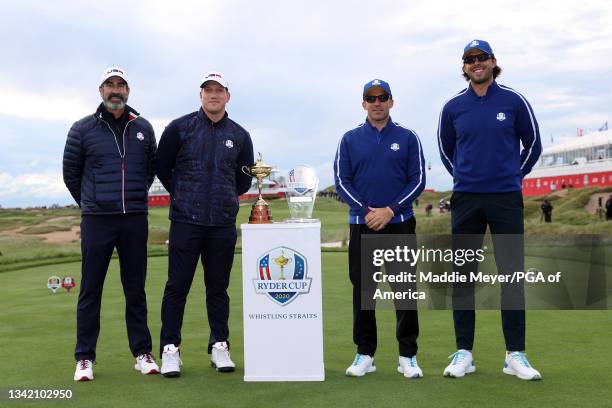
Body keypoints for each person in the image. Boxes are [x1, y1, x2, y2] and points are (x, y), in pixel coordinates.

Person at [438, 40, 543, 380]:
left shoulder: (513, 100)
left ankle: (515, 354)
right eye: (470, 59)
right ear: (464, 66)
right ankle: (464, 353)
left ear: (493, 62)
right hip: (467, 199)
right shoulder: (453, 107)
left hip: (506, 198)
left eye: (482, 58)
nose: (476, 63)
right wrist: (465, 176)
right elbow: (445, 149)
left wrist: (514, 174)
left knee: (511, 275)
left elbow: (534, 143)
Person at [63, 67, 159, 381]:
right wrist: (92, 203)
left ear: (128, 91)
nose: (115, 90)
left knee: (136, 289)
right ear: (101, 91)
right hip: (97, 221)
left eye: (120, 85)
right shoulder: (81, 129)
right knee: (90, 290)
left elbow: (148, 172)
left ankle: (143, 353)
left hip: (133, 219)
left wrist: (130, 201)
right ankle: (84, 358)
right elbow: (71, 174)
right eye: (109, 85)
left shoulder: (143, 127)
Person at [156, 71, 254, 377]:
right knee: (177, 287)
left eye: (219, 90)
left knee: (218, 288)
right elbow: (161, 166)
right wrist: (184, 193)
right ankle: (170, 349)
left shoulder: (239, 135)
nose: (213, 95)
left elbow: (243, 178)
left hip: (222, 223)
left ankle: (219, 346)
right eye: (208, 90)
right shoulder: (180, 128)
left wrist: (223, 198)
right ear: (200, 95)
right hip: (186, 220)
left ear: (228, 95)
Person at [334, 78, 426, 378]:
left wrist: (390, 210)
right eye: (371, 98)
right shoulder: (349, 139)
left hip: (399, 225)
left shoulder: (408, 137)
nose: (377, 102)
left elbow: (418, 180)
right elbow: (341, 181)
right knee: (364, 293)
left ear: (391, 101)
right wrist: (366, 212)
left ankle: (407, 355)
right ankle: (365, 353)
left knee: (404, 291)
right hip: (362, 226)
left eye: (382, 97)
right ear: (363, 103)